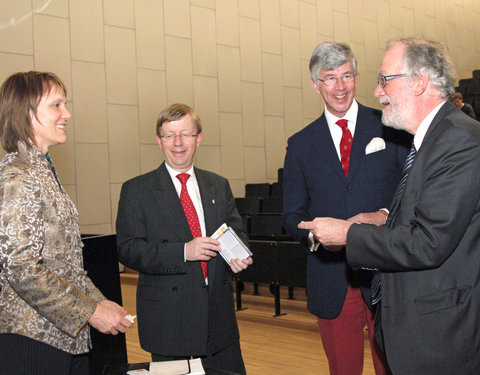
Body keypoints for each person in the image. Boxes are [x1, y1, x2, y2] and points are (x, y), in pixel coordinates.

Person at [299, 38, 480, 374]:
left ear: (420, 82)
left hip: (443, 334)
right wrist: (383, 220)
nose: (378, 92)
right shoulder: (434, 140)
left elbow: (428, 243)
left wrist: (349, 233)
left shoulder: (458, 141)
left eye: (384, 80)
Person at [282, 42, 410, 375]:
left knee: (394, 366)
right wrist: (318, 239)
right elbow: (292, 216)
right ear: (315, 84)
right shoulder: (299, 145)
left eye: (347, 76)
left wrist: (383, 216)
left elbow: (411, 192)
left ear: (356, 77)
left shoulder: (390, 125)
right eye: (330, 78)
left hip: (387, 273)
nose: (340, 87)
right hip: (331, 277)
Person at [0, 71, 133, 375]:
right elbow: (21, 268)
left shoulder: (41, 171)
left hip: (65, 338)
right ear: (26, 113)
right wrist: (89, 311)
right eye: (56, 105)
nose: (67, 114)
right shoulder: (17, 177)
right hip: (32, 342)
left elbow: (65, 265)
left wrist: (100, 302)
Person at [116, 103, 252, 374]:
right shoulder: (136, 190)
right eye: (169, 135)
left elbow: (238, 234)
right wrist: (183, 252)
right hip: (169, 320)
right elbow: (128, 249)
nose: (177, 143)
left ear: (198, 138)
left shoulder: (218, 184)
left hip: (218, 321)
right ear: (158, 140)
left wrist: (240, 254)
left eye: (185, 134)